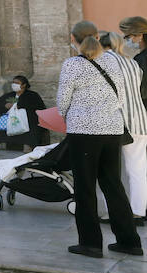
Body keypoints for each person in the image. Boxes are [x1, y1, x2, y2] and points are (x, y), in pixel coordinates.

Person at [57, 21, 142, 258]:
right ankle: (129, 241)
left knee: (85, 188)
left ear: (73, 39)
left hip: (83, 132)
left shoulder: (72, 64)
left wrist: (71, 117)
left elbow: (63, 99)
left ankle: (90, 243)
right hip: (112, 130)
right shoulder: (113, 60)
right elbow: (122, 97)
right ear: (97, 36)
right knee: (113, 185)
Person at [100, 32, 147, 223]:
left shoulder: (103, 61)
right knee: (138, 170)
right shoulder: (133, 63)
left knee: (108, 172)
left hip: (115, 122)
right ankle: (139, 211)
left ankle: (114, 212)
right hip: (139, 120)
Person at [0, 75, 47, 152]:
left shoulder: (32, 95)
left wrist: (19, 105)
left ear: (24, 85)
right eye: (13, 82)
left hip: (27, 119)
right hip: (10, 117)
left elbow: (38, 106)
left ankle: (28, 145)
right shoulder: (11, 95)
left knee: (31, 124)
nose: (14, 84)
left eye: (17, 83)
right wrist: (5, 106)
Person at [119, 16, 147, 110]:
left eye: (128, 37)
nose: (127, 41)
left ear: (140, 35)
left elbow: (140, 89)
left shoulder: (141, 59)